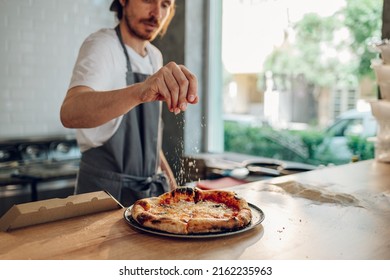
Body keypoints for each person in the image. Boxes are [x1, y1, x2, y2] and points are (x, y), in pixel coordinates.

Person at [60, 0, 198, 206]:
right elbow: (69, 113)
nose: (157, 15)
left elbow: (151, 140)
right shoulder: (102, 45)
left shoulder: (154, 56)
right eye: (149, 1)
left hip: (147, 199)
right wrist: (140, 91)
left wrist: (173, 188)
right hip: (102, 197)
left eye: (165, 5)